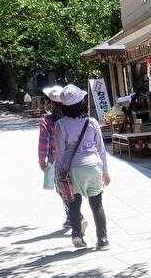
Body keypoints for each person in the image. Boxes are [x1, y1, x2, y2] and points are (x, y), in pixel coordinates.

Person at [53, 84, 110, 250]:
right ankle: (103, 239)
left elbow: (60, 154)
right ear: (81, 102)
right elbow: (101, 149)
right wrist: (105, 171)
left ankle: (77, 235)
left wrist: (59, 174)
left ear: (63, 106)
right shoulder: (92, 122)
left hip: (74, 169)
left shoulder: (60, 125)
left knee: (74, 202)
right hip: (93, 166)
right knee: (97, 204)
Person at [38, 85, 73, 230]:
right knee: (72, 187)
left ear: (51, 103)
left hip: (56, 160)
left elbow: (43, 143)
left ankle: (72, 215)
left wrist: (42, 161)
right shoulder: (71, 117)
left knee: (61, 188)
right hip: (73, 157)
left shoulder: (47, 121)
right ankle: (73, 213)